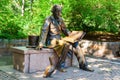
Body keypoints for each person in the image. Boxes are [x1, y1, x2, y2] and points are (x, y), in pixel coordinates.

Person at [36, 4, 94, 78]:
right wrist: (41, 43)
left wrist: (74, 36)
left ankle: (83, 65)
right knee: (66, 44)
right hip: (52, 41)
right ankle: (61, 65)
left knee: (76, 44)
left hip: (59, 40)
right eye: (58, 12)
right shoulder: (48, 19)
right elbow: (44, 31)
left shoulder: (60, 19)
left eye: (60, 12)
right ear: (53, 12)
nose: (59, 14)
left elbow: (65, 30)